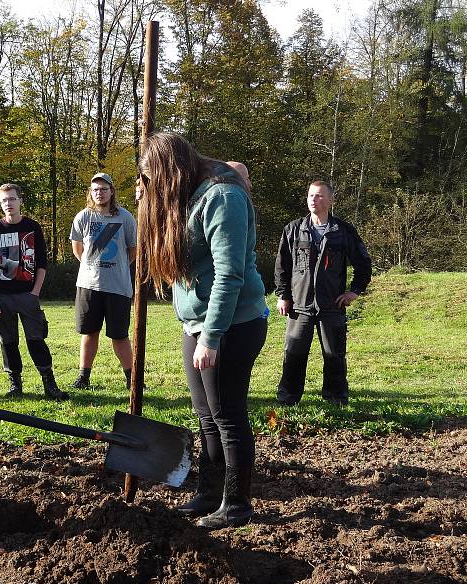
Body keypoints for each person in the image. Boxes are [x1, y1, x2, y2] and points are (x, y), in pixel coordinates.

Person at [138, 132, 268, 529]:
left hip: (233, 324)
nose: (150, 188)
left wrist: (211, 337)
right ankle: (209, 493)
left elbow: (229, 274)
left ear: (171, 172)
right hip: (197, 322)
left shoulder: (222, 197)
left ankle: (237, 504)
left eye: (152, 179)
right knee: (206, 416)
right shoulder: (188, 195)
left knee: (227, 415)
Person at [275, 180, 372, 407]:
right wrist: (283, 295)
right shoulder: (293, 229)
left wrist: (354, 291)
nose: (313, 199)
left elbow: (363, 263)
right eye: (310, 195)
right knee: (293, 356)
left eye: (319, 196)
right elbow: (282, 265)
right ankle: (288, 400)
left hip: (332, 307)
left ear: (330, 200)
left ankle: (336, 399)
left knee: (334, 356)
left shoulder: (343, 231)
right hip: (299, 307)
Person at [0, 183, 68, 400]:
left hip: (28, 296)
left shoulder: (33, 227)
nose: (8, 204)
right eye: (4, 200)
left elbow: (42, 263)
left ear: (20, 201)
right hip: (2, 297)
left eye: (12, 199)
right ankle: (15, 385)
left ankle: (49, 384)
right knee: (8, 342)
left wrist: (35, 293)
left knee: (36, 340)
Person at [69, 173, 137, 390]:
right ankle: (83, 377)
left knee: (120, 335)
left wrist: (115, 268)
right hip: (89, 285)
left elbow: (133, 250)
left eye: (103, 189)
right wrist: (92, 267)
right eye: (95, 189)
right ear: (91, 193)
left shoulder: (125, 217)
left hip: (118, 286)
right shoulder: (83, 217)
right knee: (89, 333)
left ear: (112, 191)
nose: (99, 193)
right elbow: (78, 250)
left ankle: (133, 380)